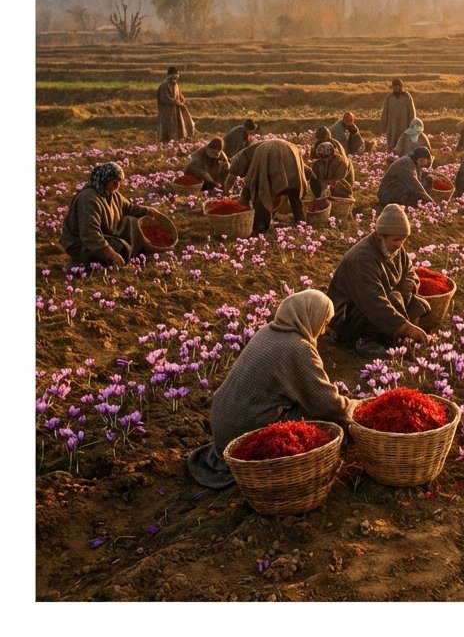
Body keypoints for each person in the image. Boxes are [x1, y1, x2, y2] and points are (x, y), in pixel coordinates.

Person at [186, 289, 357, 489]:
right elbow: (326, 404)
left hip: (222, 427)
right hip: (242, 435)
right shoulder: (297, 348)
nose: (324, 330)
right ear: (310, 316)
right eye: (324, 322)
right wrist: (354, 407)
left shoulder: (267, 331)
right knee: (318, 414)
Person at [327, 204, 431, 354]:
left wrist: (402, 296)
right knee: (394, 301)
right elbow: (373, 301)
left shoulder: (395, 249)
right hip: (350, 314)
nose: (400, 245)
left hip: (382, 300)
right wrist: (406, 327)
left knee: (417, 303)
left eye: (403, 240)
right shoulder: (362, 258)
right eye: (395, 240)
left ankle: (392, 331)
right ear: (380, 236)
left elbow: (410, 275)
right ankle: (365, 340)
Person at [59, 162, 152, 269]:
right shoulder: (89, 199)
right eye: (114, 182)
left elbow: (129, 208)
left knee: (131, 222)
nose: (117, 186)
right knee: (119, 247)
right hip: (81, 244)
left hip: (103, 235)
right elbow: (90, 235)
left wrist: (148, 211)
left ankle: (130, 256)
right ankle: (81, 264)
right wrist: (112, 255)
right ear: (104, 180)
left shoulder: (110, 193)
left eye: (119, 182)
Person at [225, 138, 310, 235]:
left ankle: (261, 225)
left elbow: (231, 180)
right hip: (290, 148)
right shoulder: (248, 153)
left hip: (267, 151)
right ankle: (300, 220)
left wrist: (227, 192)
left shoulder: (237, 160)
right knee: (293, 186)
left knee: (262, 189)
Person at [376, 146, 433, 211]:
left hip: (391, 191)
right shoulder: (406, 164)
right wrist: (431, 202)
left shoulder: (411, 161)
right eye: (423, 163)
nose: (422, 167)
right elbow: (415, 186)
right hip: (387, 194)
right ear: (421, 160)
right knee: (415, 199)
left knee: (417, 196)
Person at [156, 66, 194, 143]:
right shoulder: (164, 85)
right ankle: (167, 143)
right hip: (166, 112)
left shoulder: (176, 85)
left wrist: (182, 100)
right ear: (170, 75)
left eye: (177, 75)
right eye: (175, 75)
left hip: (176, 111)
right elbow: (164, 98)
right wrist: (176, 102)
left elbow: (180, 95)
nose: (176, 77)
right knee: (168, 128)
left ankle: (175, 142)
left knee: (177, 127)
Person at [380, 78, 417, 153]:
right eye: (395, 85)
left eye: (398, 85)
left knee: (404, 142)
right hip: (392, 125)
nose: (397, 87)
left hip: (404, 124)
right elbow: (384, 112)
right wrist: (383, 124)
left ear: (401, 86)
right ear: (392, 87)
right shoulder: (389, 98)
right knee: (392, 142)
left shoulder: (407, 96)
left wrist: (412, 125)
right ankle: (392, 155)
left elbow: (411, 112)